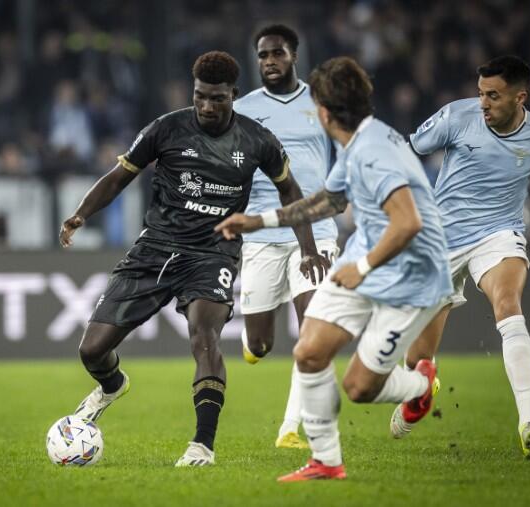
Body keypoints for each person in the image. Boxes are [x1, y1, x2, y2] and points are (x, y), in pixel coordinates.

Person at [59, 51, 326, 467]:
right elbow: (118, 177)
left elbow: (290, 192)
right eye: (200, 96)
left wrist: (308, 249)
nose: (206, 106)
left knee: (205, 337)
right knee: (91, 351)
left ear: (233, 94)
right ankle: (112, 386)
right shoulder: (166, 129)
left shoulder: (257, 140)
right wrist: (81, 214)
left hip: (212, 253)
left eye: (217, 98)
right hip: (155, 249)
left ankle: (202, 445)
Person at [215, 56, 453, 481]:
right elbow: (329, 201)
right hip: (366, 258)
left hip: (410, 276)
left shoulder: (374, 151)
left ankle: (419, 385)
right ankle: (326, 461)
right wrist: (258, 221)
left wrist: (362, 266)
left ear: (323, 112)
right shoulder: (357, 141)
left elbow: (407, 222)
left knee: (359, 387)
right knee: (309, 352)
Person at [394, 55, 530, 459]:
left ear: (520, 98)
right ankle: (422, 385)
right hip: (441, 241)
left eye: (493, 96)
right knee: (417, 359)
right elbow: (408, 149)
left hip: (498, 235)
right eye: (480, 94)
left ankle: (529, 424)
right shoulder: (457, 117)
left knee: (509, 306)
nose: (483, 103)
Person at [233, 24, 336, 450]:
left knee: (312, 329)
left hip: (317, 230)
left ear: (294, 55)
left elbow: (349, 153)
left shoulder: (323, 101)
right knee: (260, 343)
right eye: (263, 55)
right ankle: (253, 341)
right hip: (263, 232)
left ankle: (291, 428)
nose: (270, 61)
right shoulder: (242, 109)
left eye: (277, 53)